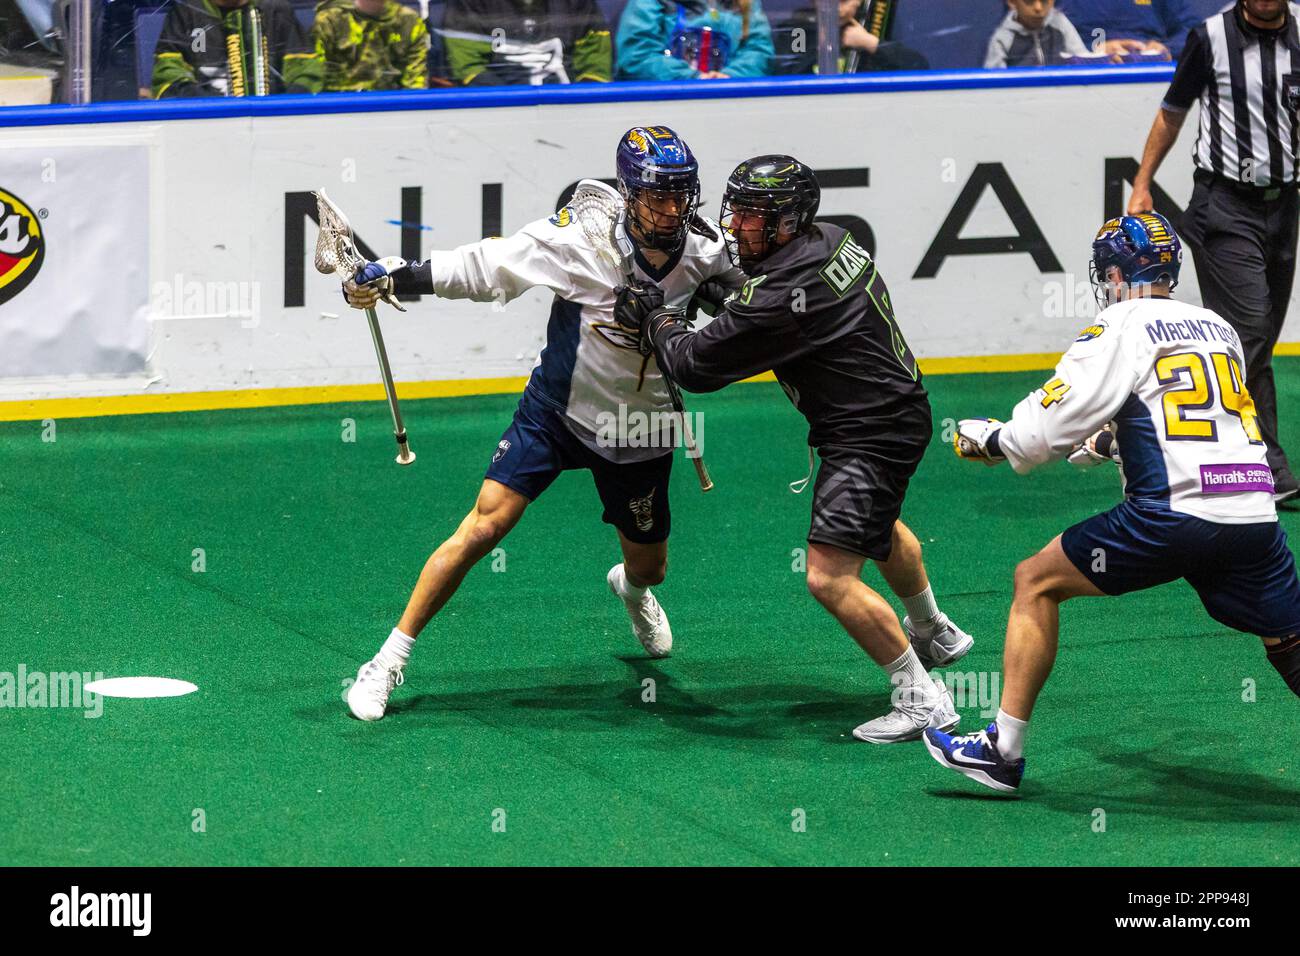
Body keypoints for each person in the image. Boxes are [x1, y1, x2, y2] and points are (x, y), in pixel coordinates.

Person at [339, 127, 747, 721]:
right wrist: (394, 276)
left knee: (650, 565)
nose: (670, 209)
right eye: (657, 196)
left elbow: (753, 315)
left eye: (681, 196)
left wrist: (725, 311)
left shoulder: (709, 252)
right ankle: (387, 661)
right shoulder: (578, 241)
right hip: (555, 413)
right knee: (483, 526)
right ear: (629, 195)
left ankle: (631, 590)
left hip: (641, 430)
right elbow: (485, 266)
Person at [930, 212, 1300, 793]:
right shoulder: (1216, 328)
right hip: (1252, 513)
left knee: (1034, 581)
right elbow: (1203, 421)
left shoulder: (1119, 324)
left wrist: (997, 440)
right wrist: (1110, 442)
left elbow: (1045, 428)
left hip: (1172, 517)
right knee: (1290, 641)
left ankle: (1001, 751)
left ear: (1114, 275)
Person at [615, 156, 974, 743]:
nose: (735, 225)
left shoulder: (779, 290)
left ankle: (922, 701)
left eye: (753, 215)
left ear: (788, 222)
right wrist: (723, 301)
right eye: (735, 209)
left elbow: (696, 365)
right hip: (896, 412)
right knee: (876, 527)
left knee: (829, 577)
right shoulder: (834, 239)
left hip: (868, 433)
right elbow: (767, 313)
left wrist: (658, 319)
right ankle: (933, 630)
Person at [1128, 0, 1300, 504]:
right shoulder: (1210, 38)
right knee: (1246, 333)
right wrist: (1143, 183)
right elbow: (1172, 112)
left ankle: (1226, 453)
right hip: (1224, 206)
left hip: (1285, 205)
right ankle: (1261, 465)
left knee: (1260, 338)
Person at [152, 0, 322, 97]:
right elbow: (167, 74)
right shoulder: (186, 11)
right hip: (207, 129)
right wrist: (207, 106)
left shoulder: (276, 10)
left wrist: (280, 111)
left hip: (271, 131)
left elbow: (306, 72)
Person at [441, 0, 611, 85]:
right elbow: (468, 68)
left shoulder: (578, 3)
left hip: (569, 114)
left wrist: (580, 107)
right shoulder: (468, 3)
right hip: (498, 116)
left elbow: (595, 66)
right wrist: (511, 106)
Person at [615, 0, 774, 80]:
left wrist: (729, 78)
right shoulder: (647, 3)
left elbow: (759, 50)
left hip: (734, 101)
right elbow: (637, 56)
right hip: (665, 103)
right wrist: (693, 78)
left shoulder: (745, 3)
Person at [313, 0, 429, 92]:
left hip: (390, 102)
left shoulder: (409, 21)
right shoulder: (330, 19)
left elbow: (416, 80)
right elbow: (314, 76)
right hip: (338, 103)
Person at [1061, 0, 1200, 60]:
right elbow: (1045, 39)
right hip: (1086, 77)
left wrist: (1166, 49)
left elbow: (1193, 32)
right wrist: (1094, 53)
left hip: (1152, 75)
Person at [985, 0, 1089, 68]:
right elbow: (994, 85)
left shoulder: (1060, 24)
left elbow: (1083, 63)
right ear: (1012, 2)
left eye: (1044, 1)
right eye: (1029, 1)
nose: (1038, 7)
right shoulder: (1003, 38)